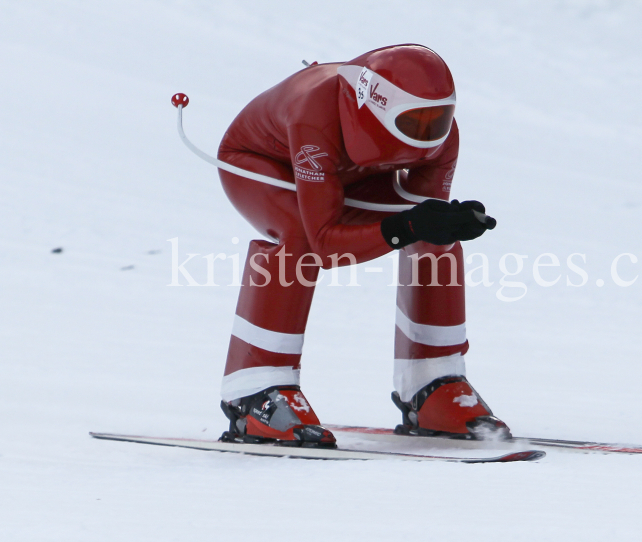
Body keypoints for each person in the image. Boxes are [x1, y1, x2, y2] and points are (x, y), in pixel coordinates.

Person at [215, 44, 507, 448]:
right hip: (263, 162)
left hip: (350, 171)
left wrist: (438, 223)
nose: (427, 137)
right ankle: (254, 391)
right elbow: (326, 246)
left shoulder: (442, 138)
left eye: (437, 120)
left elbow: (420, 222)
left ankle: (432, 383)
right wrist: (407, 223)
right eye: (415, 121)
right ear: (375, 105)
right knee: (299, 241)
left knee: (436, 238)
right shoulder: (313, 116)